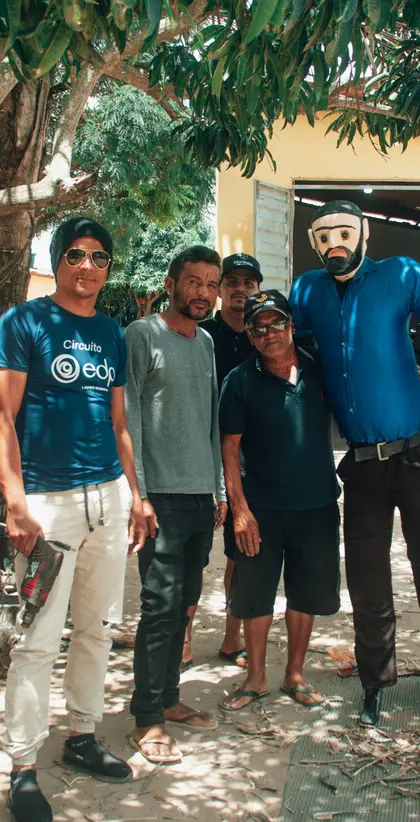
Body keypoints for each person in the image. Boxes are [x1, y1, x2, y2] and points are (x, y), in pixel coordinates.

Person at [289, 200, 420, 734]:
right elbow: (303, 365)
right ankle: (375, 682)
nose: (335, 243)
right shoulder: (306, 291)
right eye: (324, 235)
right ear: (314, 242)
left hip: (415, 453)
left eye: (344, 233)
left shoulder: (404, 274)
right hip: (359, 464)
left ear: (363, 235)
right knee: (367, 580)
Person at [0, 217, 149, 822]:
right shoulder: (23, 323)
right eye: (76, 255)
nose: (87, 266)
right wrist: (14, 503)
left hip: (106, 498)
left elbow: (118, 424)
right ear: (58, 260)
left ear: (108, 268)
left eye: (99, 258)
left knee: (98, 629)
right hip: (48, 505)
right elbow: (2, 420)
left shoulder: (110, 332)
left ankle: (83, 735)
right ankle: (23, 766)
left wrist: (135, 493)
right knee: (36, 639)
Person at [125, 245, 227, 763]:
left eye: (211, 284)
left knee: (185, 604)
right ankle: (146, 717)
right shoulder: (142, 336)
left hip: (199, 497)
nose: (203, 293)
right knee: (159, 608)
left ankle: (169, 699)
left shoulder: (207, 343)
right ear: (171, 283)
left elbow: (210, 420)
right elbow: (131, 419)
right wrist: (139, 495)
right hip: (159, 497)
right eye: (194, 282)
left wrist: (220, 490)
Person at [217, 290, 341, 712]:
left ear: (291, 326)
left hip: (317, 506)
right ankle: (255, 677)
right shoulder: (239, 381)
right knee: (255, 594)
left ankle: (294, 674)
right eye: (258, 327)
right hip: (261, 510)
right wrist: (239, 509)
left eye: (276, 324)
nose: (269, 334)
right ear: (249, 335)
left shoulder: (320, 370)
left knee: (305, 593)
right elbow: (229, 447)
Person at [187, 253, 263, 670]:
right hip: (199, 459)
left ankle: (232, 640)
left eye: (248, 283)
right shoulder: (202, 335)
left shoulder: (264, 336)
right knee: (192, 555)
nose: (239, 290)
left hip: (250, 464)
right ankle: (182, 639)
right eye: (230, 282)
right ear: (219, 290)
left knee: (241, 555)